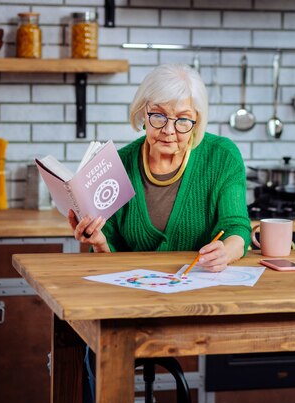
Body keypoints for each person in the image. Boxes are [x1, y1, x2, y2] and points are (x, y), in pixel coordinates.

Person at [68, 63, 251, 271]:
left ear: (197, 121)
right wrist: (99, 242)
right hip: (134, 293)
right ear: (143, 113)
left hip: (201, 292)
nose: (168, 130)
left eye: (183, 119)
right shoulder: (116, 165)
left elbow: (237, 228)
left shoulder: (222, 157)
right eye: (158, 116)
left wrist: (225, 252)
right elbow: (108, 254)